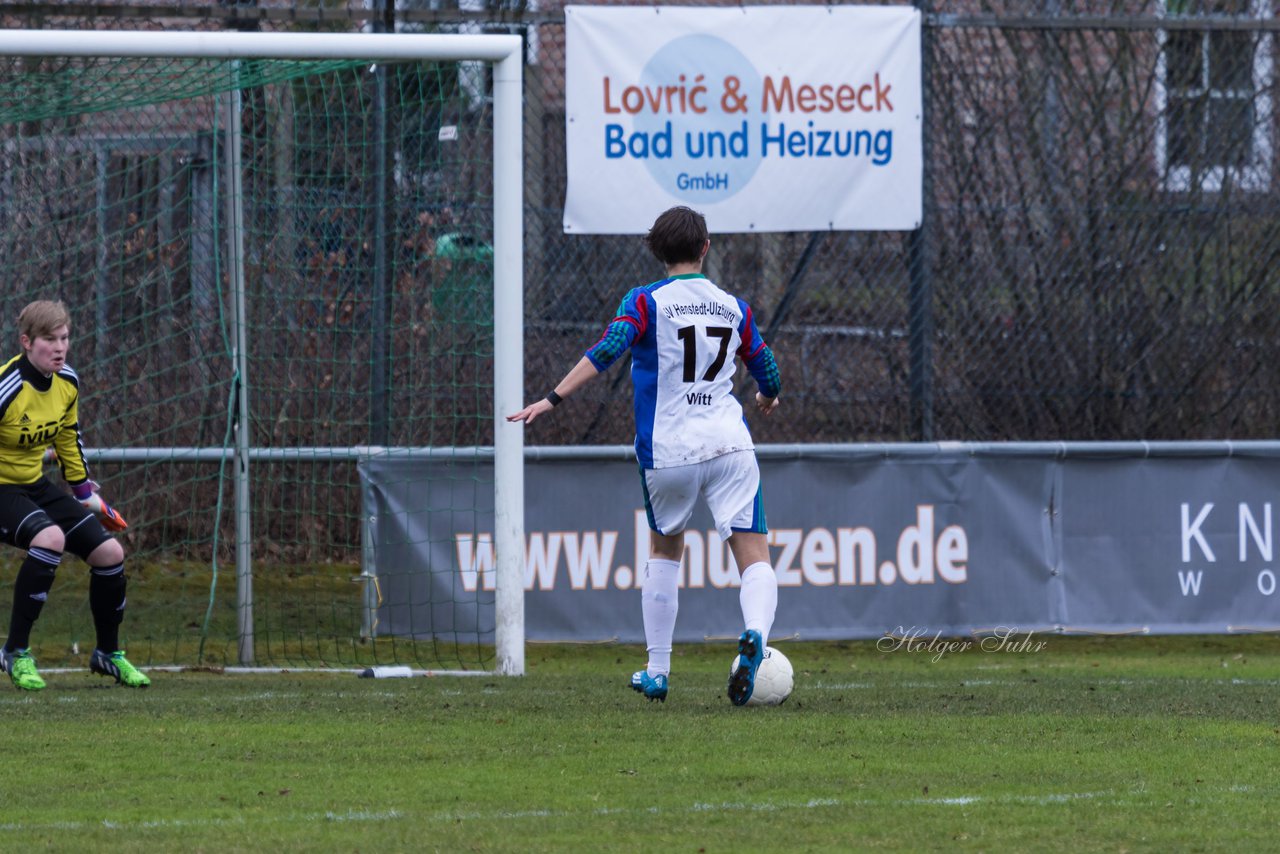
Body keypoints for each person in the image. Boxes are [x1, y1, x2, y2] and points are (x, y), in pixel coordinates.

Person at [508, 206, 781, 705]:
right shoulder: (734, 307)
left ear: (657, 252)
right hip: (729, 446)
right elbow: (766, 366)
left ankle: (657, 671)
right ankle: (756, 636)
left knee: (663, 551)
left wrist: (551, 399)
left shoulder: (646, 301)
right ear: (706, 248)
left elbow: (610, 347)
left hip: (670, 451)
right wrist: (766, 396)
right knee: (753, 554)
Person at [0, 300, 149, 690]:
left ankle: (108, 654)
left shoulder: (68, 382)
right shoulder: (8, 387)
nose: (60, 347)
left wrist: (85, 493)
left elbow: (68, 436)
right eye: (50, 339)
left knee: (110, 553)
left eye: (64, 338)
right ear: (27, 342)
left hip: (32, 484)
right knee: (50, 538)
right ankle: (15, 652)